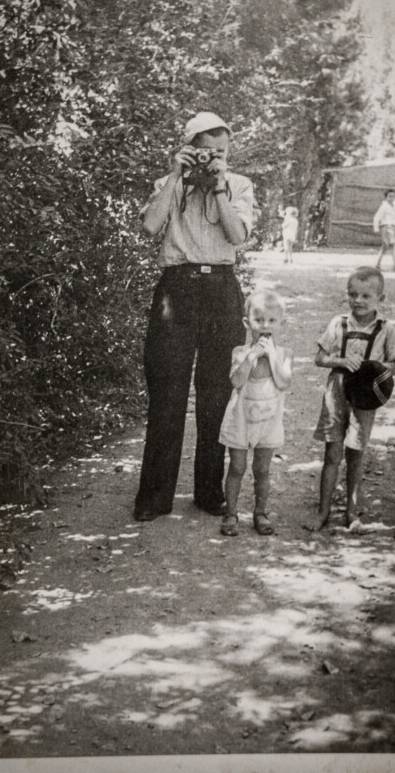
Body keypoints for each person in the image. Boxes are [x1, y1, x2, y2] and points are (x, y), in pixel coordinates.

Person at [134, 112, 254, 522]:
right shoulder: (168, 184)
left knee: (216, 393)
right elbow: (150, 226)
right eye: (205, 151)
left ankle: (208, 491)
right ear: (189, 150)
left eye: (221, 152)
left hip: (221, 288)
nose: (212, 158)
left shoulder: (239, 185)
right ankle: (154, 497)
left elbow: (238, 236)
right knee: (167, 391)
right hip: (177, 287)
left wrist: (219, 186)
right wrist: (175, 174)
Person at [305, 267, 395, 532]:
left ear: (380, 298)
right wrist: (340, 361)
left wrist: (374, 367)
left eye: (365, 296)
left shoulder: (386, 329)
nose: (357, 300)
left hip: (365, 399)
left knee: (356, 455)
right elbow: (319, 359)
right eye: (352, 294)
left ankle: (352, 512)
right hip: (336, 394)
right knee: (332, 454)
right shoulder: (338, 323)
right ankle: (323, 511)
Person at [219, 289, 293, 537]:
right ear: (247, 322)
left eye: (272, 320)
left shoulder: (284, 354)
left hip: (268, 421)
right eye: (259, 320)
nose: (265, 326)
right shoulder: (240, 352)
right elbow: (236, 381)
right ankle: (231, 513)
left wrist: (271, 356)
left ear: (281, 323)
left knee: (262, 469)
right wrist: (252, 356)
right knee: (237, 467)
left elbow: (284, 382)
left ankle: (260, 513)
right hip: (241, 418)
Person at [373, 189, 395, 272]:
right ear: (386, 197)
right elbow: (376, 217)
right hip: (386, 228)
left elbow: (394, 218)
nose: (392, 198)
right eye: (390, 196)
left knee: (385, 247)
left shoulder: (393, 207)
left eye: (393, 196)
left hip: (392, 228)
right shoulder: (384, 206)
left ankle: (377, 265)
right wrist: (376, 228)